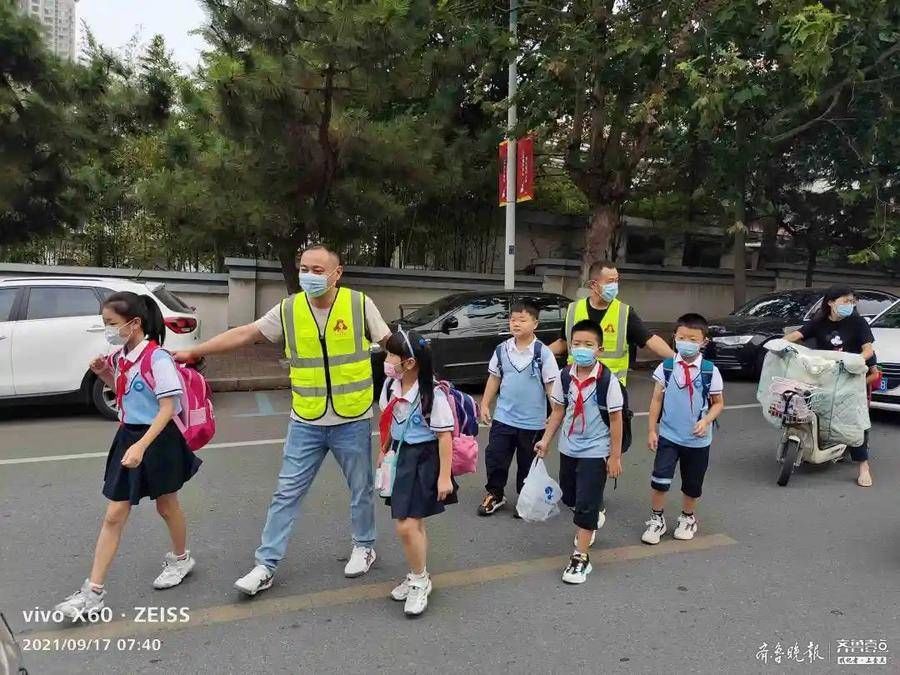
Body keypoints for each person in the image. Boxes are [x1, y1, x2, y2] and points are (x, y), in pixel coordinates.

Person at [174, 245, 391, 595]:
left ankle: (364, 547)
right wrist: (196, 351)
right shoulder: (289, 309)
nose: (310, 275)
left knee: (360, 489)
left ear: (337, 274)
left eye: (319, 270)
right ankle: (265, 565)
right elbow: (246, 333)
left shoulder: (359, 304)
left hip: (352, 417)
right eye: (305, 268)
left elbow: (389, 342)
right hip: (306, 419)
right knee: (286, 493)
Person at [55, 292, 201, 619]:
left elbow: (168, 408)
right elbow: (125, 396)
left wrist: (142, 446)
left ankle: (181, 559)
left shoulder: (157, 358)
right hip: (129, 436)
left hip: (158, 439)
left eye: (111, 323)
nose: (107, 330)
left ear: (134, 323)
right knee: (114, 514)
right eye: (104, 324)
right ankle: (93, 591)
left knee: (166, 505)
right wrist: (105, 373)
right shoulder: (122, 356)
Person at [548, 259, 674, 529]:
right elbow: (562, 342)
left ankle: (593, 499)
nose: (615, 286)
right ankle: (581, 494)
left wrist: (676, 359)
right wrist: (537, 353)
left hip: (610, 395)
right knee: (574, 445)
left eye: (617, 280)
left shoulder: (624, 313)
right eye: (610, 281)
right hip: (576, 390)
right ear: (594, 284)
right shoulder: (574, 310)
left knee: (605, 448)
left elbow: (649, 339)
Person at [534, 320, 623, 585]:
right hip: (569, 447)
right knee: (570, 496)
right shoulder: (564, 376)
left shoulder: (608, 381)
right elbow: (558, 411)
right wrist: (545, 440)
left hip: (596, 451)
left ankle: (580, 556)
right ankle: (594, 512)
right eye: (576, 344)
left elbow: (617, 420)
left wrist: (615, 456)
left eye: (588, 345)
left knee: (585, 503)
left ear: (600, 349)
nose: (581, 349)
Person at [377, 329, 456, 616]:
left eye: (391, 356)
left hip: (423, 460)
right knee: (414, 523)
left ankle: (420, 580)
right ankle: (417, 574)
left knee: (406, 524)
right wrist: (383, 453)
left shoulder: (432, 394)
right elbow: (387, 420)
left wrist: (444, 476)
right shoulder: (390, 386)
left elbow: (445, 437)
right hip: (399, 456)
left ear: (409, 363)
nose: (386, 361)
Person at [642, 313, 724, 545]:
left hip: (698, 441)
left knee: (692, 483)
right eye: (682, 337)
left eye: (692, 339)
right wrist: (651, 430)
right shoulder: (667, 367)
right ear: (674, 338)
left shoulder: (710, 371)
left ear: (703, 342)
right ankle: (656, 519)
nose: (686, 342)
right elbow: (656, 400)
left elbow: (718, 403)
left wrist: (706, 421)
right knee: (660, 480)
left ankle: (688, 518)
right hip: (669, 436)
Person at [784, 286, 875, 487]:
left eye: (852, 302)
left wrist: (857, 360)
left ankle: (863, 466)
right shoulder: (818, 323)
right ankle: (816, 445)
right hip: (824, 377)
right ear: (831, 303)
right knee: (810, 407)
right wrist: (780, 345)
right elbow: (797, 335)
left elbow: (868, 350)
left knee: (854, 421)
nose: (849, 305)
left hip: (851, 377)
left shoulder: (858, 323)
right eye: (845, 301)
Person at [478, 302, 559, 516]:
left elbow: (551, 385)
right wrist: (485, 403)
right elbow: (494, 378)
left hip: (532, 422)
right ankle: (495, 494)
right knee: (495, 457)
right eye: (513, 319)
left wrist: (555, 414)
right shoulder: (502, 349)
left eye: (522, 320)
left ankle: (525, 499)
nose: (516, 324)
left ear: (535, 323)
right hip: (504, 417)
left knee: (527, 463)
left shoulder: (543, 353)